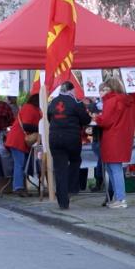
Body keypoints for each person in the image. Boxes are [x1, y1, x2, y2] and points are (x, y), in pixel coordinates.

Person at [47, 81, 91, 210]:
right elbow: (85, 119)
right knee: (75, 160)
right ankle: (72, 187)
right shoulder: (76, 102)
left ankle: (63, 202)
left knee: (60, 169)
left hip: (55, 138)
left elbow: (50, 118)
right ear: (71, 90)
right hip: (72, 138)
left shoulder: (52, 102)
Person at [95, 77, 135, 209]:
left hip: (112, 137)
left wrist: (96, 118)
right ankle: (119, 197)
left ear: (110, 88)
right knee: (113, 167)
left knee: (114, 168)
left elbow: (106, 121)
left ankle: (121, 198)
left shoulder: (111, 101)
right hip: (123, 137)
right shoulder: (126, 101)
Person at [3, 94, 41, 197]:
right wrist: (40, 128)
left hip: (19, 140)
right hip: (17, 140)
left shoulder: (32, 108)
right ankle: (18, 187)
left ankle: (21, 187)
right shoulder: (29, 108)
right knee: (19, 164)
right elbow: (26, 125)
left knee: (21, 164)